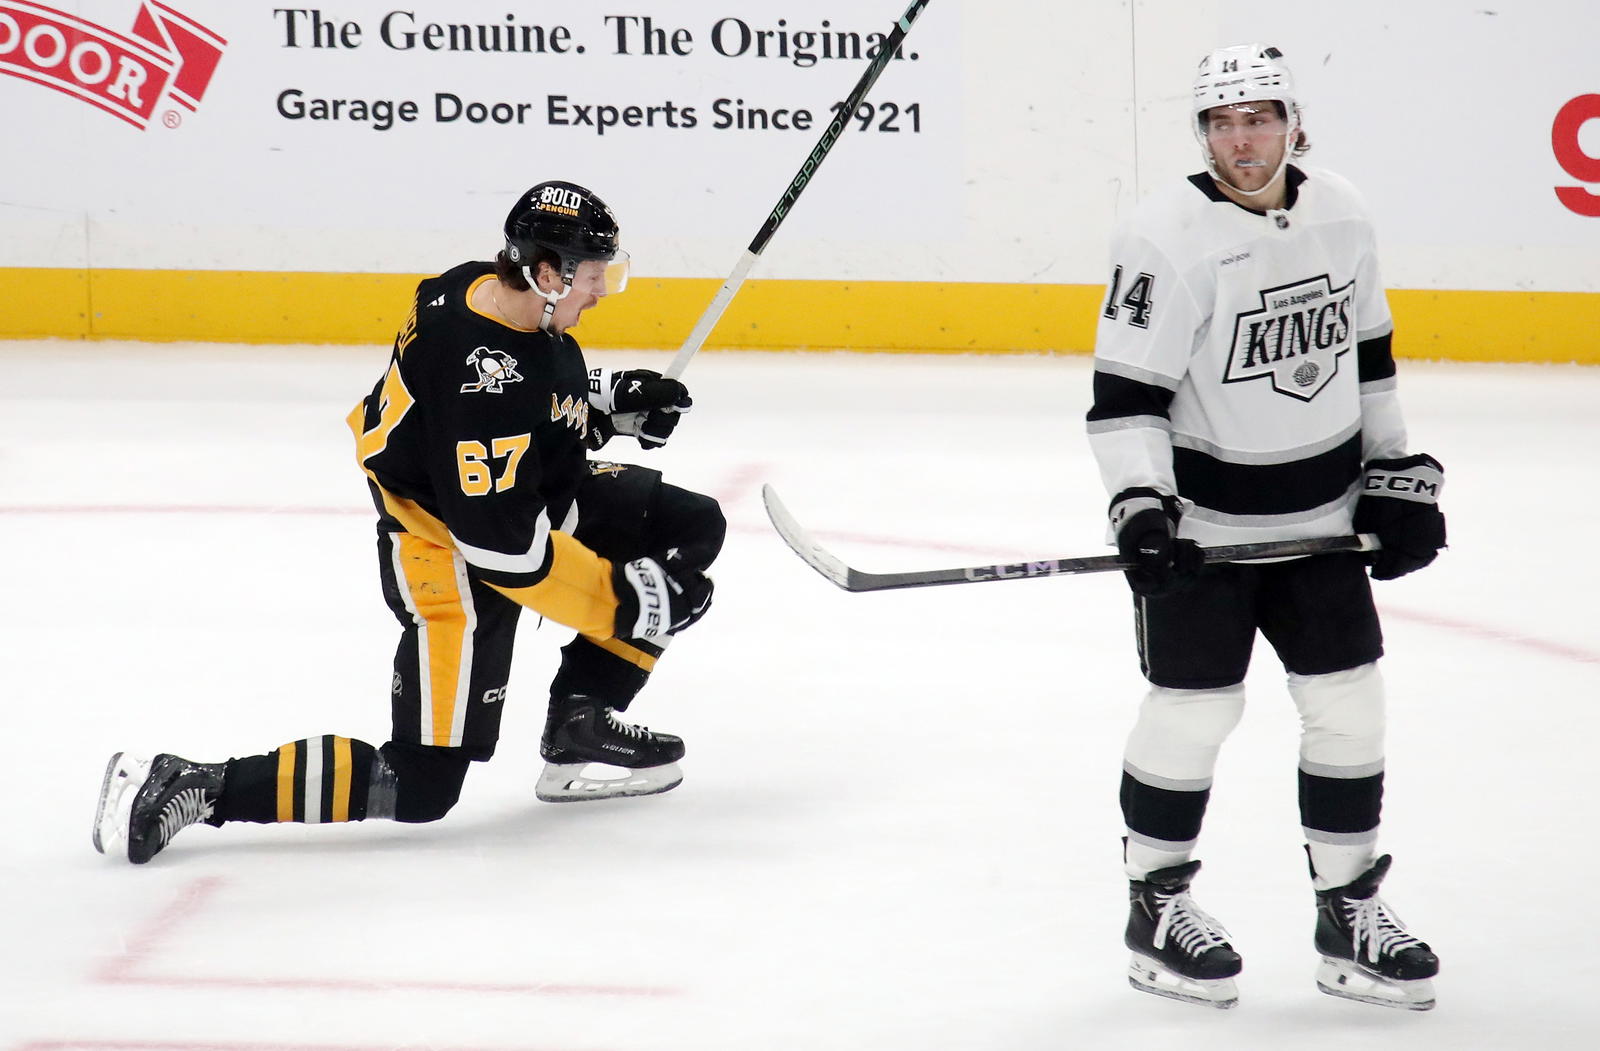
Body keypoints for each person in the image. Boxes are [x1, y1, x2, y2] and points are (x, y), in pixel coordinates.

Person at [93, 180, 724, 864]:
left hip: (504, 500)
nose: (602, 291)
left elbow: (519, 398)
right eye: (595, 277)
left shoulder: (480, 288)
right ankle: (201, 783)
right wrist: (629, 606)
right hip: (447, 550)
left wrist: (603, 400)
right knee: (423, 782)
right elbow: (508, 557)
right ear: (547, 273)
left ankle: (580, 718)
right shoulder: (485, 385)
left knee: (687, 524)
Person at [1086, 45, 1447, 1011]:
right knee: (1194, 710)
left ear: (1294, 121)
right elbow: (1125, 395)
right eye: (1221, 122)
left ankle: (1349, 911)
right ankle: (1156, 904)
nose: (1241, 140)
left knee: (1351, 706)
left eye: (1258, 117)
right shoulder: (1163, 237)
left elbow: (1370, 351)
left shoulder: (1342, 210)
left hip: (1324, 521)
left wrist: (1397, 472)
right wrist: (1141, 505)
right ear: (1202, 135)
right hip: (1210, 527)